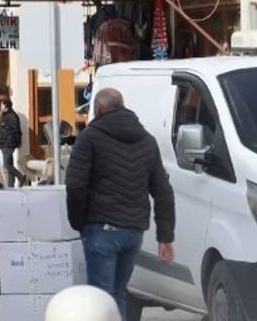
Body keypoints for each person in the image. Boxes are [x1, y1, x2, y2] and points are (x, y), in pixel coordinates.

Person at [65, 88, 175, 320]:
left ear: (99, 109)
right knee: (118, 294)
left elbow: (75, 185)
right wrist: (165, 237)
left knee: (100, 299)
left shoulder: (89, 138)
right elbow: (163, 191)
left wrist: (78, 222)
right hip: (133, 231)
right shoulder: (147, 140)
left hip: (101, 227)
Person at [0, 96, 25, 188]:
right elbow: (1, 129)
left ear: (6, 106)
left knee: (6, 165)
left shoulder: (13, 116)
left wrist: (18, 142)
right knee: (10, 164)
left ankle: (20, 176)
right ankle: (11, 186)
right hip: (4, 144)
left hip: (9, 144)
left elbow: (17, 131)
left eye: (1, 105)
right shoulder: (3, 116)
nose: (0, 107)